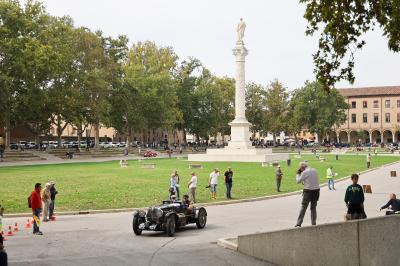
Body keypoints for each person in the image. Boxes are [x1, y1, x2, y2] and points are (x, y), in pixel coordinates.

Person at [295, 161, 320, 227]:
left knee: (303, 207)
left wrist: (298, 174)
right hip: (316, 191)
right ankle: (313, 223)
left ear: (302, 168)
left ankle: (298, 223)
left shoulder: (304, 172)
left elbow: (298, 181)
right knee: (313, 208)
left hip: (308, 192)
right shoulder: (315, 170)